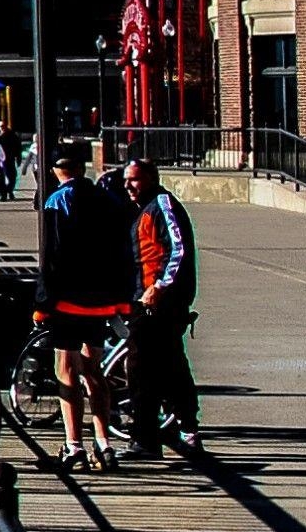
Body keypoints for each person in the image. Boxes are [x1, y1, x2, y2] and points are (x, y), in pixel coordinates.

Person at [35, 140, 139, 469]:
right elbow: (125, 253)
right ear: (82, 169)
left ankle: (73, 445)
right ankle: (104, 442)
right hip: (103, 301)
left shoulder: (56, 201)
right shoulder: (108, 200)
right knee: (94, 371)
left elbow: (51, 257)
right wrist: (122, 298)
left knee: (66, 371)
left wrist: (43, 301)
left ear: (54, 171)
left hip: (68, 302)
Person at [125, 154, 201, 456]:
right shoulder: (142, 209)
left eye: (135, 179)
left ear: (152, 179)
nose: (129, 185)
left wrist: (159, 287)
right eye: (126, 180)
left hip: (160, 303)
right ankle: (177, 428)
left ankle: (147, 437)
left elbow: (177, 250)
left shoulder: (162, 205)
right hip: (147, 299)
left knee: (143, 367)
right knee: (168, 365)